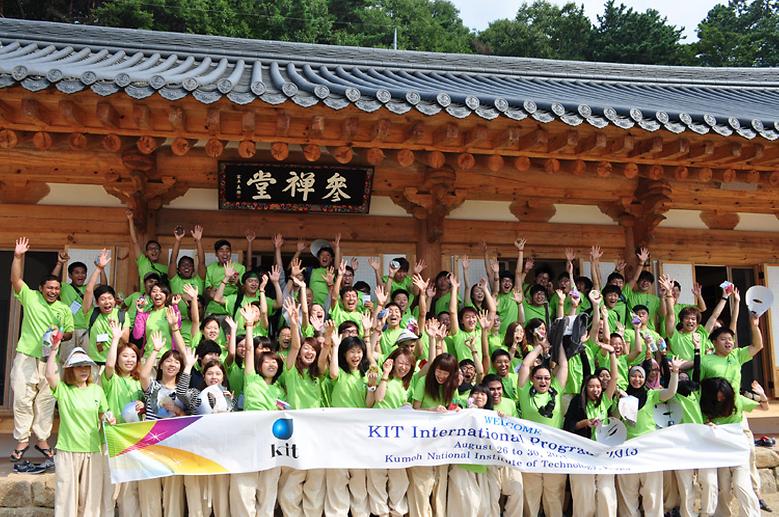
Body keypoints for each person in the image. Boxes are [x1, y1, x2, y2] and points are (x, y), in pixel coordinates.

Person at [10, 237, 74, 463]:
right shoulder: (31, 298)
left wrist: (60, 336)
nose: (54, 291)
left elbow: (70, 333)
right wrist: (18, 256)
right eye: (50, 287)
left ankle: (43, 439)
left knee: (46, 401)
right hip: (27, 355)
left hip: (51, 360)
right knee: (22, 399)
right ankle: (22, 440)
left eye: (57, 288)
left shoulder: (64, 309)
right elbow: (16, 279)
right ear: (41, 288)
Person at [45, 339, 112, 517]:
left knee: (91, 500)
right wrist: (53, 350)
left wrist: (108, 418)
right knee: (66, 499)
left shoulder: (97, 390)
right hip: (68, 450)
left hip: (93, 450)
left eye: (86, 366)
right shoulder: (63, 390)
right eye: (78, 366)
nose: (83, 370)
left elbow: (102, 414)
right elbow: (50, 375)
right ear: (70, 369)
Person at [229, 304, 284, 517]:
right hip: (250, 434)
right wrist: (250, 325)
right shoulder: (251, 377)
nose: (271, 364)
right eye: (267, 361)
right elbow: (250, 349)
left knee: (269, 486)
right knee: (245, 483)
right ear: (259, 365)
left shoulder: (280, 389)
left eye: (275, 362)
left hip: (273, 439)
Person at [277, 297, 328, 517]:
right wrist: (295, 323)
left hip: (316, 430)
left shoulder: (320, 374)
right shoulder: (290, 370)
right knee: (292, 478)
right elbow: (296, 344)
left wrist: (324, 339)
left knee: (315, 480)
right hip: (294, 430)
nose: (308, 352)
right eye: (306, 349)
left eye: (312, 351)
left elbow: (324, 352)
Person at [563, 325, 619, 517]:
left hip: (604, 453)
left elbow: (614, 379)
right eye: (591, 386)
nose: (596, 389)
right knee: (584, 495)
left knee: (605, 493)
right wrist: (585, 423)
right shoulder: (577, 404)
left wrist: (612, 354)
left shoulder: (605, 399)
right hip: (583, 454)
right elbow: (568, 427)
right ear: (585, 388)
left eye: (597, 386)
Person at [617, 358, 682, 517]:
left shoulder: (652, 395)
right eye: (634, 376)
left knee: (652, 492)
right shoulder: (620, 396)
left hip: (649, 449)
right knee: (628, 492)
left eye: (640, 376)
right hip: (628, 449)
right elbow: (614, 417)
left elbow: (670, 392)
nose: (637, 379)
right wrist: (622, 400)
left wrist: (674, 372)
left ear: (645, 378)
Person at [408, 320, 459, 517]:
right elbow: (415, 409)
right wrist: (433, 411)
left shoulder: (451, 387)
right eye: (439, 370)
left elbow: (453, 407)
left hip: (442, 443)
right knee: (422, 484)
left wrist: (454, 411)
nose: (441, 374)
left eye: (446, 372)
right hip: (422, 441)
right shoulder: (423, 382)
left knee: (440, 484)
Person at [176, 344, 234, 517]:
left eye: (218, 373)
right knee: (197, 502)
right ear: (203, 376)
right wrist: (187, 366)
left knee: (221, 501)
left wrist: (230, 404)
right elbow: (180, 392)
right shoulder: (195, 394)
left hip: (221, 455)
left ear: (223, 377)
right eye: (210, 373)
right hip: (197, 453)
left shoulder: (229, 396)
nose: (213, 377)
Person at [139, 317, 188, 517]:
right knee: (150, 495)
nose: (172, 364)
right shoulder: (153, 387)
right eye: (168, 361)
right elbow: (143, 376)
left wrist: (178, 411)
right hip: (151, 443)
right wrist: (156, 351)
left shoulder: (183, 390)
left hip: (175, 445)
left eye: (176, 362)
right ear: (161, 365)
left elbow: (186, 417)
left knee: (173, 496)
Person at [326, 319, 375, 517]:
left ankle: (360, 512)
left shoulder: (366, 375)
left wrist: (371, 386)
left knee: (359, 475)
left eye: (359, 352)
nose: (356, 356)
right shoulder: (340, 374)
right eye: (351, 352)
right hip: (338, 430)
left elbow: (369, 403)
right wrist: (336, 345)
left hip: (360, 431)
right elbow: (333, 371)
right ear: (344, 354)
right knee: (339, 474)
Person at [517, 336, 569, 517]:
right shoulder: (524, 392)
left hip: (554, 453)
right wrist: (539, 347)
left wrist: (558, 344)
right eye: (539, 377)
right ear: (532, 379)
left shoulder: (556, 389)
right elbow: (525, 365)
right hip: (529, 452)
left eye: (547, 378)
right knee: (530, 497)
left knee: (554, 497)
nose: (543, 381)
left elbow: (563, 366)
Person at [101, 319, 144, 517]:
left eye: (133, 356)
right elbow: (109, 364)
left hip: (132, 438)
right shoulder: (112, 379)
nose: (129, 360)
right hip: (111, 437)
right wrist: (116, 338)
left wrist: (142, 406)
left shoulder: (138, 382)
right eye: (124, 356)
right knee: (109, 486)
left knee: (129, 488)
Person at [367, 346, 416, 517]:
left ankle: (397, 511)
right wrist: (385, 374)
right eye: (401, 363)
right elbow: (378, 398)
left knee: (400, 478)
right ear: (393, 361)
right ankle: (381, 512)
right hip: (377, 434)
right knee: (377, 476)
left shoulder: (406, 385)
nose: (404, 367)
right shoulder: (382, 376)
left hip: (396, 437)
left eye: (408, 365)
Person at [51, 249, 105, 359]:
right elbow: (52, 280)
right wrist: (59, 263)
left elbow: (104, 286)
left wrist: (101, 268)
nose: (80, 275)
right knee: (66, 360)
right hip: (68, 330)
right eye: (76, 272)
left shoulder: (88, 288)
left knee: (86, 360)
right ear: (70, 275)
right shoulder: (65, 288)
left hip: (86, 329)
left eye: (83, 272)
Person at [126, 210, 167, 288]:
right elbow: (135, 241)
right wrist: (130, 220)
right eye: (151, 249)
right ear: (147, 253)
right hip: (145, 298)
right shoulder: (143, 262)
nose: (154, 250)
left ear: (160, 252)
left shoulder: (165, 269)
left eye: (156, 248)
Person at [205, 239, 245, 317]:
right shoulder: (210, 268)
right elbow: (208, 289)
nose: (225, 253)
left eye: (227, 250)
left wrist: (238, 283)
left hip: (232, 308)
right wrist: (210, 292)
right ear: (216, 254)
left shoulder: (240, 268)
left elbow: (245, 291)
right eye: (221, 250)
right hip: (214, 310)